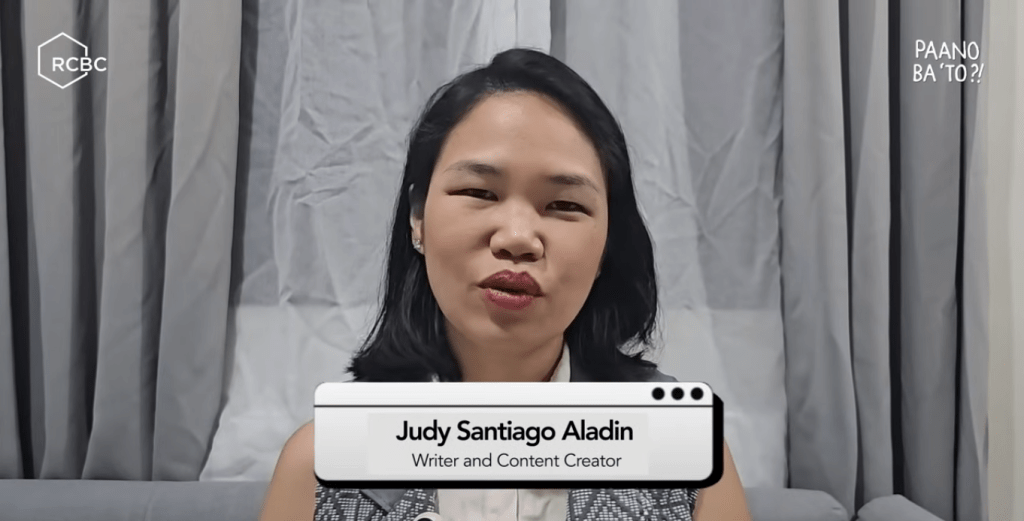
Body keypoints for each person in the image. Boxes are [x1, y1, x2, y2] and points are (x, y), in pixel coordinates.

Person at [259, 48, 752, 521]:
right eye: (479, 191)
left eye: (565, 205)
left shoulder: (684, 454)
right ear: (418, 218)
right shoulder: (320, 465)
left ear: (608, 245)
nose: (517, 238)